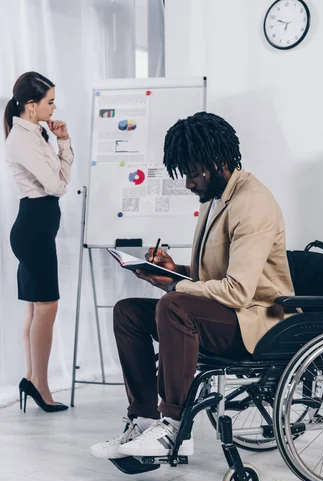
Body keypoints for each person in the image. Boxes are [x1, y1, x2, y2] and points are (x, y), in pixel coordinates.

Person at [90, 111, 294, 459]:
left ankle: (174, 427)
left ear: (218, 162)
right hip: (227, 312)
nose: (187, 183)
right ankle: (142, 419)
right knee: (128, 312)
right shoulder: (218, 199)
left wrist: (174, 288)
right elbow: (212, 275)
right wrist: (172, 272)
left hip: (257, 321)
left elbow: (238, 291)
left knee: (173, 306)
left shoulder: (253, 203)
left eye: (192, 173)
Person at [4, 72, 74, 413]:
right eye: (49, 101)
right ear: (31, 105)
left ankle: (32, 378)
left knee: (35, 307)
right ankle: (41, 387)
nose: (54, 106)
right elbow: (57, 185)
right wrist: (60, 165)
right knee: (47, 306)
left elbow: (59, 181)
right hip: (33, 227)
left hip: (38, 226)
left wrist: (63, 141)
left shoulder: (37, 134)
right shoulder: (21, 139)